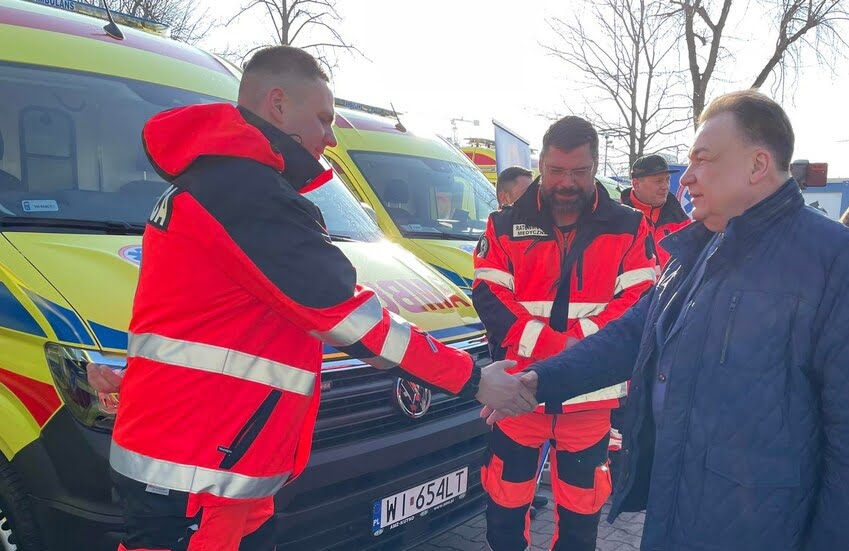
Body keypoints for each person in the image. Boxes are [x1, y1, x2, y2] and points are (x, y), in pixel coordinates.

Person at [89, 46, 535, 551]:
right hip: (202, 470)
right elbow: (349, 318)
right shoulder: (245, 191)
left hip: (199, 454)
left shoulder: (211, 181)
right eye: (323, 118)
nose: (330, 136)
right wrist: (474, 379)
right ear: (278, 103)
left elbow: (194, 319)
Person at [482, 90, 849, 551]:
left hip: (763, 529)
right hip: (675, 518)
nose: (686, 179)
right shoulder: (695, 252)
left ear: (757, 166)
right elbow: (628, 337)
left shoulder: (832, 262)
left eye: (702, 160)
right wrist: (535, 382)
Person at [472, 115, 656, 551]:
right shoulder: (504, 224)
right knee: (504, 508)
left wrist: (570, 355)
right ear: (540, 163)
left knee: (580, 519)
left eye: (579, 171)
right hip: (517, 394)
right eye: (556, 171)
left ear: (596, 166)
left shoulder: (629, 226)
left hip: (588, 400)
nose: (566, 182)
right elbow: (490, 297)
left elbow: (640, 304)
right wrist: (565, 347)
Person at [620, 154, 691, 268]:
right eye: (658, 181)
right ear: (636, 184)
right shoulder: (618, 220)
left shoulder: (682, 220)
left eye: (667, 180)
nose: (665, 186)